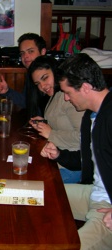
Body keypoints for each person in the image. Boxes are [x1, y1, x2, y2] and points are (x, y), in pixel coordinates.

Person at [40, 53, 112, 250]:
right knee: (39, 196)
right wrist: (60, 155)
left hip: (108, 209)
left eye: (68, 92)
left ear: (86, 87)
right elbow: (88, 160)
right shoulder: (92, 115)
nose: (65, 97)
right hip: (94, 194)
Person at [28, 55, 84, 183]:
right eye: (38, 83)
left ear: (55, 71)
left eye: (45, 77)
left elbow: (83, 136)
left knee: (35, 182)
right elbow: (61, 123)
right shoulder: (54, 95)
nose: (42, 86)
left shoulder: (68, 97)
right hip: (57, 158)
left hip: (72, 167)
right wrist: (44, 123)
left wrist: (51, 133)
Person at [0, 33, 49, 117]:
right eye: (22, 53)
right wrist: (7, 91)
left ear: (43, 52)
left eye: (31, 51)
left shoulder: (51, 75)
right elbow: (27, 102)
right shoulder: (31, 73)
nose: (25, 56)